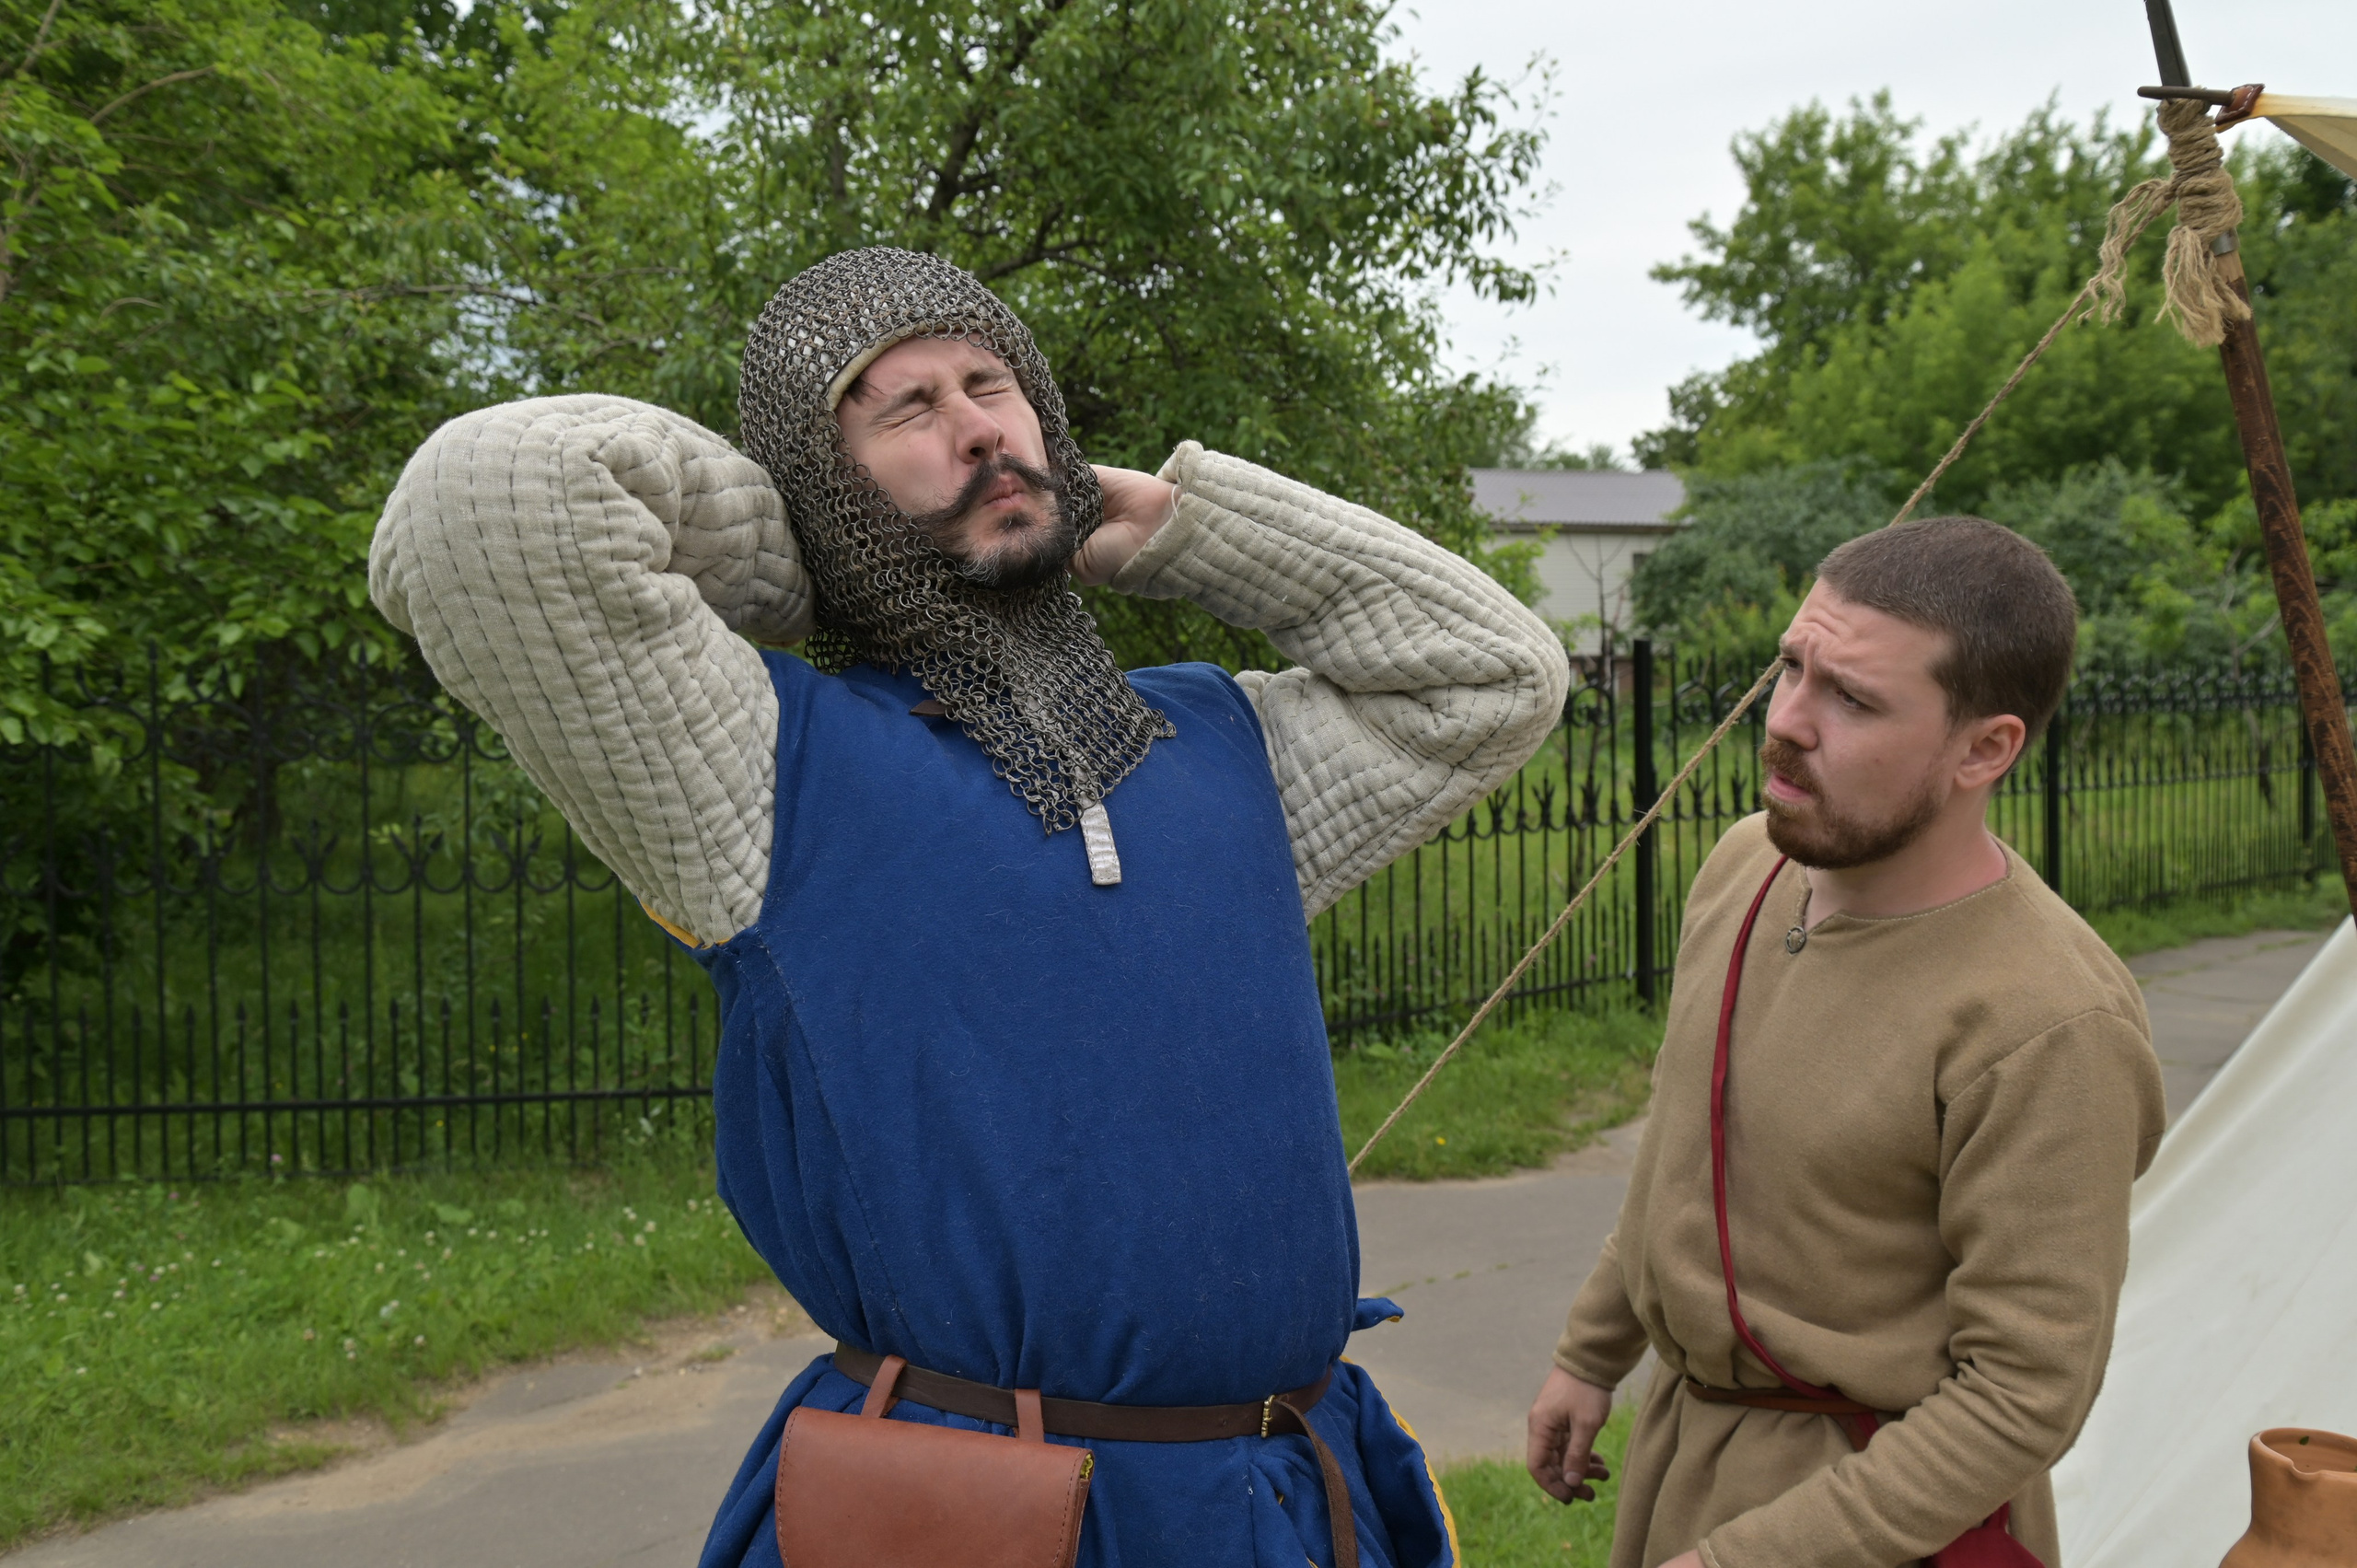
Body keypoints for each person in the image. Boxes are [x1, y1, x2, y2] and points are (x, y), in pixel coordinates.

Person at [370, 246, 1570, 1568]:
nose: (978, 429)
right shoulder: (762, 772)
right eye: (902, 410)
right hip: (968, 1512)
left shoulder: (1224, 743)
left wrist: (1172, 525)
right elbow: (485, 503)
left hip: (1284, 1493)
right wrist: (807, 551)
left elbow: (1496, 678)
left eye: (989, 381)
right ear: (828, 480)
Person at [1524, 518, 2166, 1568]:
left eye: (1852, 698)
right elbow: (1683, 1157)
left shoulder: (2046, 1022)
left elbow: (2023, 1391)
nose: (1785, 721)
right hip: (1683, 1454)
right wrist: (1592, 1352)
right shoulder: (1746, 864)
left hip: (1878, 1518)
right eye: (1791, 667)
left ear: (1985, 747)